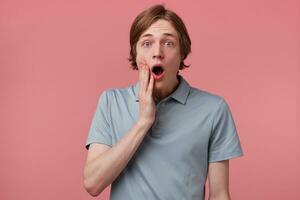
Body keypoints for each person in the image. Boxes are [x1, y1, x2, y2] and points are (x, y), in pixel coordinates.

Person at [83, 4, 243, 200]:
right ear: (135, 53)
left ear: (182, 53)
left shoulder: (214, 109)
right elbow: (92, 183)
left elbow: (219, 195)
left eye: (168, 43)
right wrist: (143, 122)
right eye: (147, 43)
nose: (157, 52)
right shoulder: (111, 102)